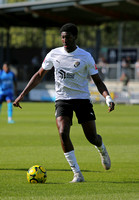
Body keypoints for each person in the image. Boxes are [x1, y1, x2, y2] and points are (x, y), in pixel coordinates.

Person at [13, 23, 115, 183]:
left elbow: (97, 81)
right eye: (62, 37)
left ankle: (101, 148)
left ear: (75, 37)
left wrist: (107, 97)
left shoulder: (85, 56)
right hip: (62, 100)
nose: (64, 40)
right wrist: (22, 94)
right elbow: (39, 75)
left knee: (91, 137)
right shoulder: (54, 54)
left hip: (82, 100)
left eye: (67, 37)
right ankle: (77, 174)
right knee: (62, 132)